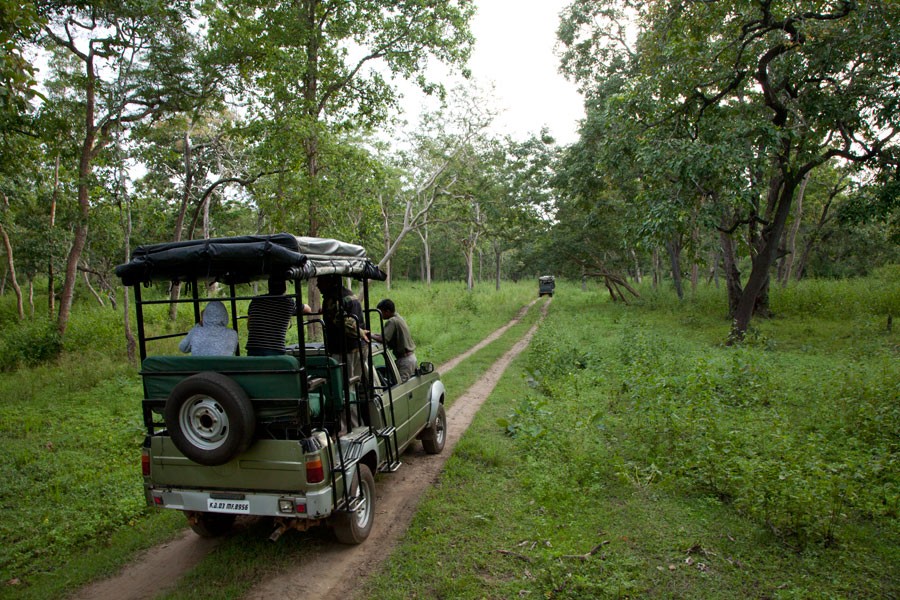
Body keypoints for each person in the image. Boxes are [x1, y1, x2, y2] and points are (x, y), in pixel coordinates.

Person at [316, 274, 369, 386]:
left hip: (344, 350)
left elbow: (344, 321)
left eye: (320, 281)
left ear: (329, 282)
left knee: (344, 387)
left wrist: (360, 332)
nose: (317, 285)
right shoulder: (349, 294)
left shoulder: (333, 299)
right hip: (359, 347)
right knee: (354, 385)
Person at [246, 278, 310, 356]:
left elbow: (249, 326)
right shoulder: (289, 302)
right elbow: (308, 309)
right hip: (275, 349)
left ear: (269, 287)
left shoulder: (256, 300)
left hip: (253, 349)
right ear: (284, 287)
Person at [371, 298, 417, 382]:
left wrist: (369, 335)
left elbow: (383, 339)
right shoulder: (398, 318)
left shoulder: (392, 321)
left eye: (381, 312)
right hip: (409, 358)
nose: (380, 315)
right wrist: (373, 335)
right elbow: (385, 336)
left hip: (404, 360)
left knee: (401, 389)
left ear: (387, 311)